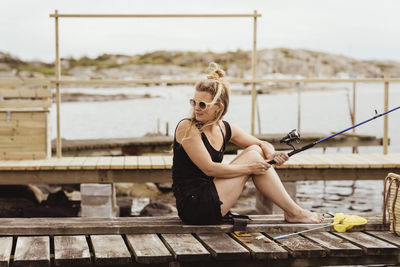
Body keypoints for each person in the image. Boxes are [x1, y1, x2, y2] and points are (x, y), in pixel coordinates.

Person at [172, 62, 323, 225]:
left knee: (254, 150)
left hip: (210, 196)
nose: (196, 108)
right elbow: (209, 168)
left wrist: (271, 154)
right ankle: (294, 212)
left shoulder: (224, 128)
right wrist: (251, 168)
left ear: (218, 107)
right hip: (193, 206)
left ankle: (293, 212)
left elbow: (262, 144)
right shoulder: (187, 127)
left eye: (202, 104)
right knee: (253, 157)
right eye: (193, 102)